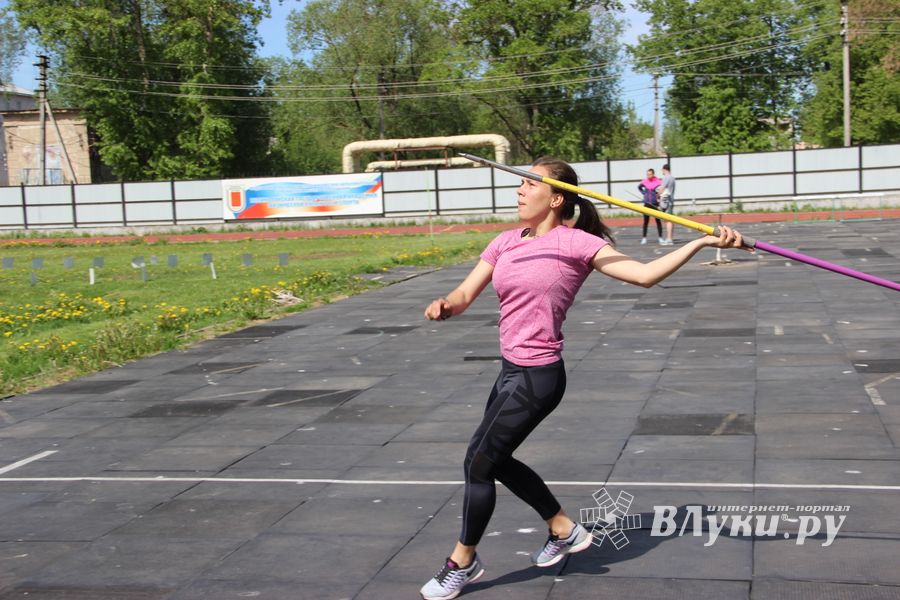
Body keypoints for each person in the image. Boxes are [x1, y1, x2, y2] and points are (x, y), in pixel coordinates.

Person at [419, 157, 745, 600]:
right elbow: (464, 293)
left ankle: (463, 561)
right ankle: (562, 529)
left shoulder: (578, 244)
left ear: (555, 198)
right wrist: (447, 304)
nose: (519, 190)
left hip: (539, 377)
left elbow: (645, 276)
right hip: (509, 371)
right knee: (493, 460)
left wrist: (703, 242)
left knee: (478, 462)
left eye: (529, 184)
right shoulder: (504, 242)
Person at [637, 168, 664, 245]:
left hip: (655, 203)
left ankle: (660, 238)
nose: (649, 176)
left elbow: (662, 190)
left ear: (653, 174)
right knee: (646, 222)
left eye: (650, 174)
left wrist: (658, 195)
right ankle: (644, 238)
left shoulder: (658, 182)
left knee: (658, 221)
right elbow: (639, 187)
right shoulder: (644, 182)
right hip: (647, 203)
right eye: (647, 174)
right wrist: (644, 193)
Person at [658, 164, 677, 245]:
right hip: (670, 201)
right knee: (669, 220)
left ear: (664, 169)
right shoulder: (672, 178)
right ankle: (669, 238)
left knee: (667, 220)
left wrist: (657, 195)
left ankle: (669, 239)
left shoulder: (666, 177)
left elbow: (662, 189)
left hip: (666, 202)